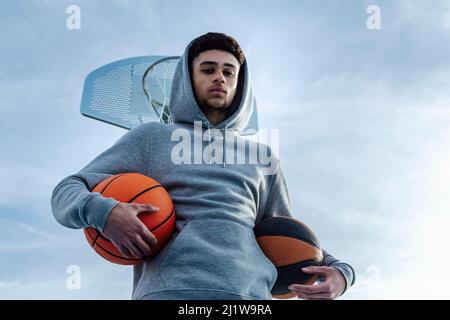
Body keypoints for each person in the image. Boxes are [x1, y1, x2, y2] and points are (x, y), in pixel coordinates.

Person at [51, 32, 355, 300]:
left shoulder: (262, 157)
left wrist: (341, 273)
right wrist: (105, 213)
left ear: (240, 83)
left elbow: (286, 233)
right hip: (170, 294)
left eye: (229, 72)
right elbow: (66, 191)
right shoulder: (152, 137)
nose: (219, 77)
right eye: (208, 69)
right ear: (188, 79)